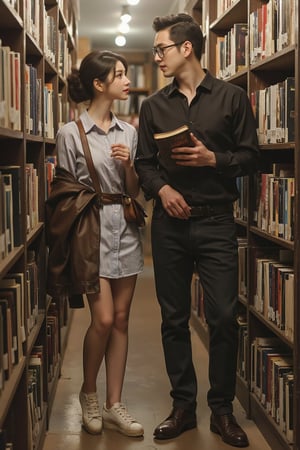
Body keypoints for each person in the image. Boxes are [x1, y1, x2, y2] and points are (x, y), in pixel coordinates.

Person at [135, 13, 260, 447]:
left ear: (186, 48)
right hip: (169, 225)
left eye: (161, 49)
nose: (157, 57)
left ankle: (221, 410)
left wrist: (214, 161)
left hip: (216, 221)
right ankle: (183, 406)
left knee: (224, 317)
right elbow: (143, 163)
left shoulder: (232, 98)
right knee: (173, 318)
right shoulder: (153, 105)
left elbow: (251, 156)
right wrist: (163, 189)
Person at [55, 50, 144, 437]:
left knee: (122, 320)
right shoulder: (69, 133)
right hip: (89, 234)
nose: (126, 81)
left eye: (126, 73)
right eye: (119, 75)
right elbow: (62, 190)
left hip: (125, 231)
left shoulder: (130, 132)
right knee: (103, 318)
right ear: (98, 83)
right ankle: (88, 394)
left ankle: (114, 404)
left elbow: (136, 190)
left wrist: (128, 166)